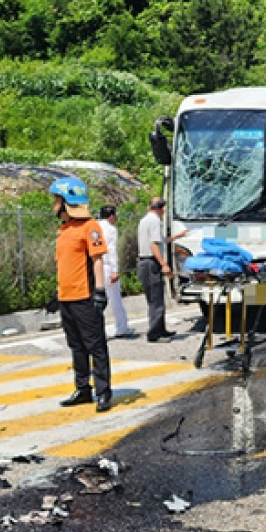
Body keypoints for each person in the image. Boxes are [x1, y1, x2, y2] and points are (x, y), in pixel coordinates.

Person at [51, 177, 112, 413]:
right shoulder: (64, 230)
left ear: (67, 201)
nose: (54, 204)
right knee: (76, 346)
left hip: (85, 297)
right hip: (67, 298)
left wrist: (99, 291)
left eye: (57, 199)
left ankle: (104, 392)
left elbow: (97, 260)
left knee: (95, 346)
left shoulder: (90, 226)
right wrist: (57, 293)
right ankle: (83, 388)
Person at [137, 199, 187, 342]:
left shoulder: (146, 219)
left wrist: (177, 236)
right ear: (161, 209)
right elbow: (154, 245)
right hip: (150, 262)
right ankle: (154, 334)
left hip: (147, 262)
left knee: (158, 297)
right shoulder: (154, 221)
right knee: (155, 300)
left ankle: (161, 329)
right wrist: (164, 264)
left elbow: (160, 240)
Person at [98, 205, 134, 338]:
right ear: (111, 216)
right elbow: (111, 250)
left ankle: (98, 329)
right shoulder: (111, 229)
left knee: (98, 299)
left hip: (96, 266)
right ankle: (121, 326)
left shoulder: (94, 227)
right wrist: (115, 270)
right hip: (107, 266)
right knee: (114, 298)